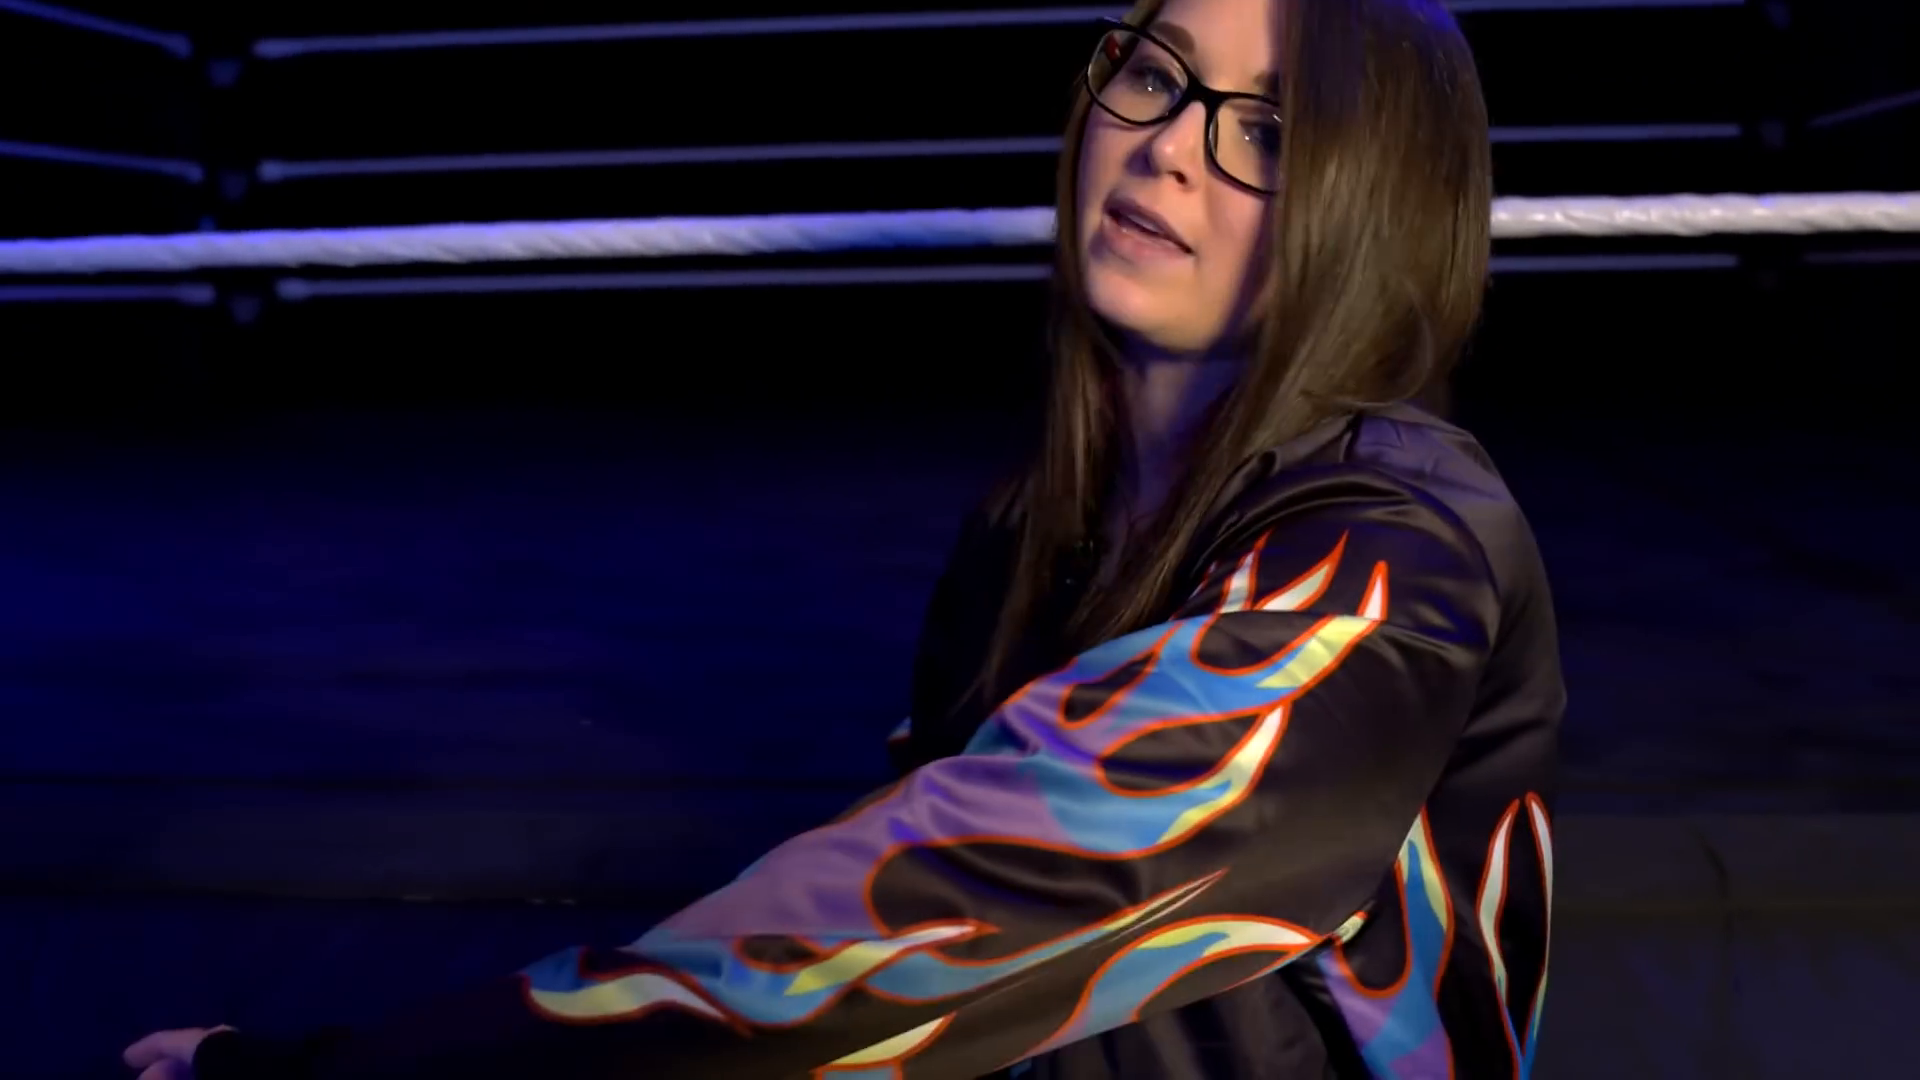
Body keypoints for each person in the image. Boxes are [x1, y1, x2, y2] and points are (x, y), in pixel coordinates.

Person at [126, 0, 1562, 1076]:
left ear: (1376, 208)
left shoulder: (1394, 555)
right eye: (1153, 73)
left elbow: (940, 912)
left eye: (1270, 133)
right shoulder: (1034, 523)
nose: (1170, 145)